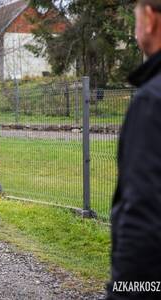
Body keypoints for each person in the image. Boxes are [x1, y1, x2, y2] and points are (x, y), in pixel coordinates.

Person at [107, 1, 161, 299]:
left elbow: (144, 211)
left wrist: (124, 290)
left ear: (150, 19)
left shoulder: (152, 100)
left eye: (136, 16)